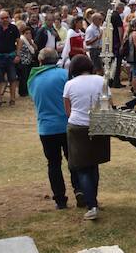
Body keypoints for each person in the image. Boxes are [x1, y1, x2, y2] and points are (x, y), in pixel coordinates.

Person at [28, 47, 82, 209]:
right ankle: (79, 190)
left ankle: (60, 199)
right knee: (73, 160)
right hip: (67, 123)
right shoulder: (64, 75)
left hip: (46, 128)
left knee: (53, 164)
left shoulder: (33, 79)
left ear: (40, 61)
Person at [63, 54, 109, 220]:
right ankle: (93, 201)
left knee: (82, 167)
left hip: (77, 126)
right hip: (98, 125)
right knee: (93, 165)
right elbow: (108, 103)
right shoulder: (101, 80)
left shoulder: (69, 84)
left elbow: (67, 111)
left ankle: (92, 205)